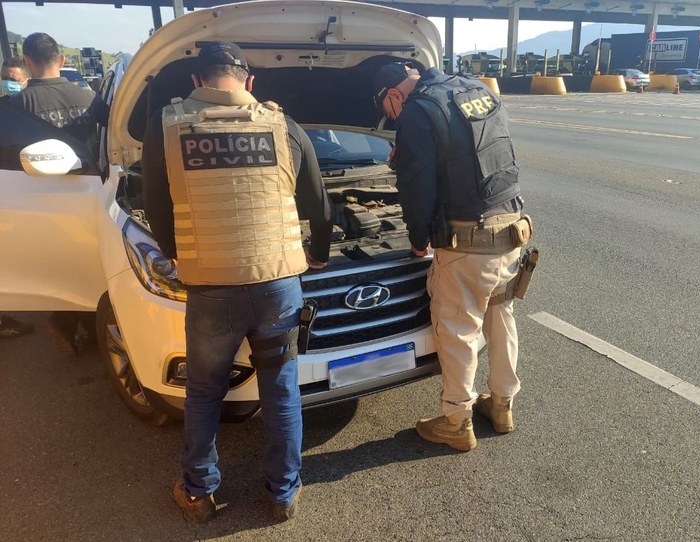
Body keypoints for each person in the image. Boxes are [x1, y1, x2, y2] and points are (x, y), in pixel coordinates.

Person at [142, 41, 333, 524]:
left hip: (211, 290)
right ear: (249, 81)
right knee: (281, 390)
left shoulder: (167, 126)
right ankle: (283, 492)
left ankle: (198, 491)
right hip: (277, 286)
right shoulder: (281, 124)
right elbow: (319, 204)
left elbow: (157, 208)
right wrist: (318, 254)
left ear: (196, 82)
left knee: (205, 392)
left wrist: (178, 255)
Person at [372, 62, 530, 452]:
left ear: (393, 96)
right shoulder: (475, 89)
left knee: (458, 328)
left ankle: (457, 421)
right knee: (500, 315)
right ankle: (502, 406)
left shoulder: (417, 111)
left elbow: (416, 188)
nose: (392, 119)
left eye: (388, 113)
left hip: (467, 240)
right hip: (511, 227)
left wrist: (419, 239)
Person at [9, 33, 108, 354]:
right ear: (62, 60)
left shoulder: (16, 106)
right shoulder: (90, 99)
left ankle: (66, 320)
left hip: (37, 199)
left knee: (58, 265)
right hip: (93, 190)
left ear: (27, 61)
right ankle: (86, 327)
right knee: (94, 263)